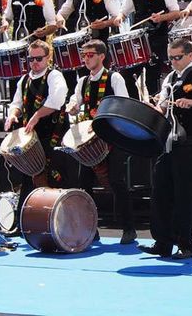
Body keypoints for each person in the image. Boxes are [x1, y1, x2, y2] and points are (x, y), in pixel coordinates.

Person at [138, 38, 192, 258]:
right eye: (171, 58)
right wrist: (153, 104)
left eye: (178, 58)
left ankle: (186, 244)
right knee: (161, 192)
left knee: (185, 195)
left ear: (189, 55)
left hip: (191, 142)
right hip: (169, 141)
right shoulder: (170, 77)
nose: (174, 62)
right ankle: (163, 241)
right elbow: (162, 109)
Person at [65, 39, 137, 245]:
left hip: (113, 137)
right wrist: (72, 106)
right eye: (84, 55)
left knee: (116, 181)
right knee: (83, 183)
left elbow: (123, 105)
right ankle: (90, 228)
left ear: (101, 56)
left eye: (90, 55)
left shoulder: (115, 78)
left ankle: (129, 228)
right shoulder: (82, 82)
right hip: (90, 141)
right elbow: (75, 101)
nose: (86, 59)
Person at [4, 40, 69, 232]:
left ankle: (63, 223)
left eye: (39, 59)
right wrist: (12, 115)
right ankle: (24, 224)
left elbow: (57, 100)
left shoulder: (54, 75)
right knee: (27, 179)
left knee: (55, 178)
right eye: (31, 59)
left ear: (48, 58)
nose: (34, 62)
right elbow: (16, 103)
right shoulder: (24, 80)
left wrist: (36, 116)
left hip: (53, 134)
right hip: (32, 137)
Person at [114, 0, 181, 95]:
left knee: (152, 80)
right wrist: (119, 17)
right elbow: (124, 11)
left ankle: (154, 109)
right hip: (138, 42)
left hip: (157, 39)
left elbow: (176, 12)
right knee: (127, 76)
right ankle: (137, 108)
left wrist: (161, 18)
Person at [56, 0, 120, 95]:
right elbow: (62, 13)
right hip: (79, 47)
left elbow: (118, 17)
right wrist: (60, 19)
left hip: (98, 44)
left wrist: (104, 24)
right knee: (76, 80)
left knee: (98, 82)